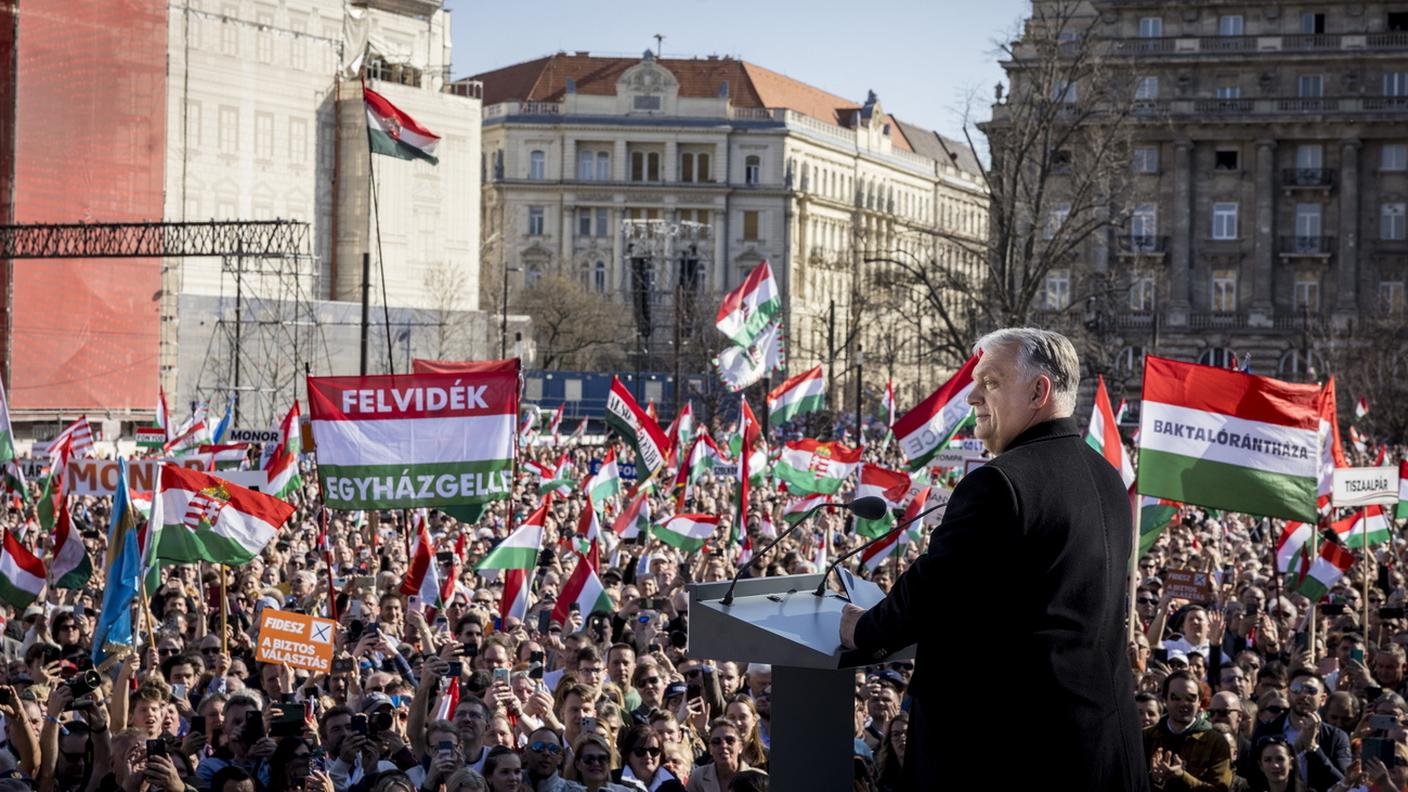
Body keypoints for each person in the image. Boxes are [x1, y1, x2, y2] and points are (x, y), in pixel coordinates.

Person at [839, 328, 1147, 789]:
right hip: (1099, 746)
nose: (972, 397)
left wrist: (860, 628)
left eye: (991, 382)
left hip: (1013, 755)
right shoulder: (1104, 474)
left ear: (1039, 391)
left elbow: (933, 590)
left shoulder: (1000, 483)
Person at [1247, 672, 1351, 791]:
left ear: (1323, 699)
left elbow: (1343, 781)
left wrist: (1313, 748)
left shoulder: (1336, 736)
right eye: (1296, 689)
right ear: (1288, 694)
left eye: (1311, 690)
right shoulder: (1266, 730)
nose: (1303, 695)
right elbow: (1253, 775)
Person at [1144, 670, 1233, 790]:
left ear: (1199, 702)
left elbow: (1221, 789)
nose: (1183, 703)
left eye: (1191, 698)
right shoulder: (1146, 737)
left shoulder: (1216, 742)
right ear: (1165, 700)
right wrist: (1155, 780)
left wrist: (1182, 776)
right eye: (1176, 697)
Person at [613, 726, 684, 792]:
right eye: (640, 751)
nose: (648, 756)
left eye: (654, 751)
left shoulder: (673, 783)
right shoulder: (613, 781)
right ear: (628, 754)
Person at [684, 720, 747, 792]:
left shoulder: (757, 777)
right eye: (716, 741)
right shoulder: (698, 777)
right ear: (710, 749)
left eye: (730, 740)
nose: (723, 745)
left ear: (740, 747)